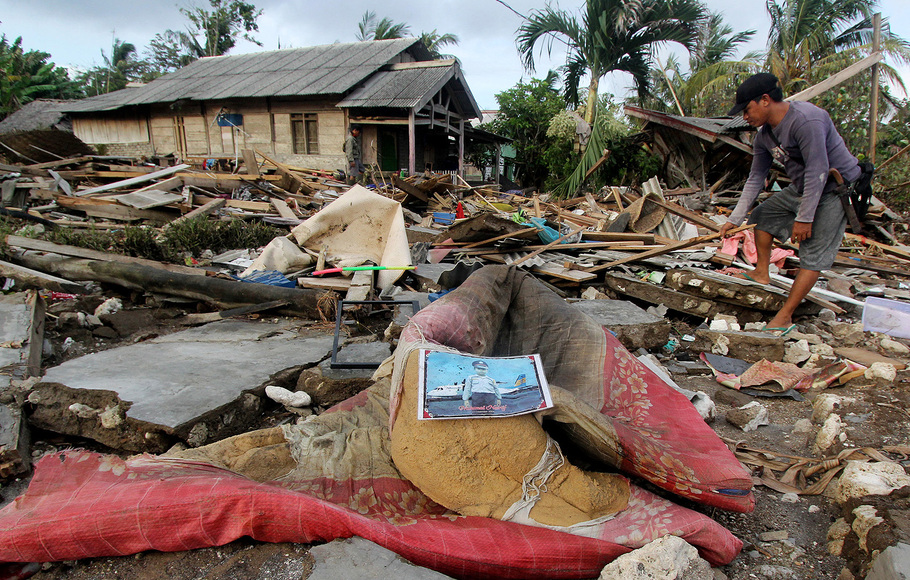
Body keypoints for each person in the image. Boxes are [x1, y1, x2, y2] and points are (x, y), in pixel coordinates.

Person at [718, 73, 862, 331]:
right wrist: (733, 219)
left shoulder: (807, 120)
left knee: (812, 254)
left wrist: (804, 218)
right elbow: (755, 178)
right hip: (804, 185)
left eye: (747, 110)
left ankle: (786, 314)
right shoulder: (764, 136)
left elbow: (819, 169)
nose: (745, 117)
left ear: (764, 100)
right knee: (762, 216)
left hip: (835, 188)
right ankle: (762, 272)